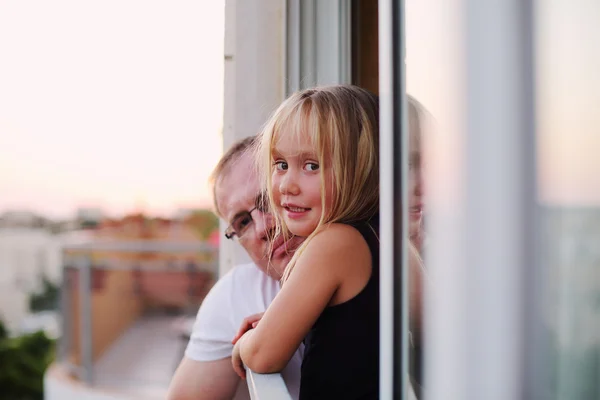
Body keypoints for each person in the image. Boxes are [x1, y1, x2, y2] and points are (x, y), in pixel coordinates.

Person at [231, 85, 382, 399]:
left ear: (362, 168)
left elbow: (262, 355)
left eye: (311, 166)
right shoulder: (381, 238)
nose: (287, 185)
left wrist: (247, 344)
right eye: (281, 165)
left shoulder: (333, 243)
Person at [167, 136, 304, 400]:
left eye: (267, 200)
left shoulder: (373, 257)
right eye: (242, 222)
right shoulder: (237, 293)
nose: (263, 227)